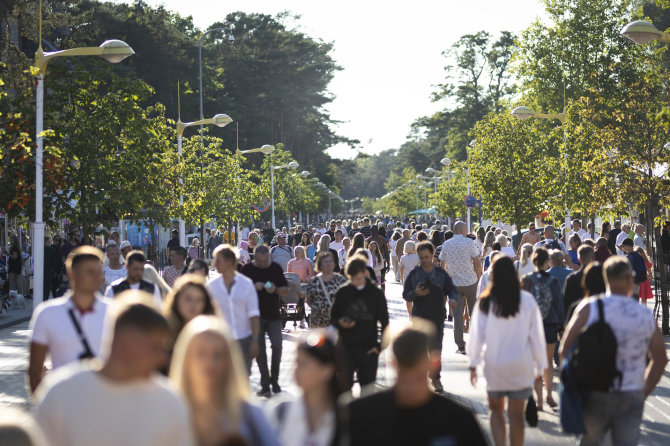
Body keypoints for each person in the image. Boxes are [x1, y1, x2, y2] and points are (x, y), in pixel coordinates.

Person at [34, 292, 195, 446]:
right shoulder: (60, 396)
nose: (163, 358)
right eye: (155, 347)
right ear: (126, 342)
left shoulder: (170, 404)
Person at [559, 257, 668, 446]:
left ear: (606, 278)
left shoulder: (589, 307)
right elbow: (660, 358)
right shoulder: (643, 314)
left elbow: (565, 348)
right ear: (628, 279)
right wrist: (644, 390)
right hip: (631, 392)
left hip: (594, 390)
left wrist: (574, 383)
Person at [343, 322, 488, 446]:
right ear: (434, 362)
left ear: (391, 363)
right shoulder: (459, 420)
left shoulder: (359, 413)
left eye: (417, 378)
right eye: (405, 378)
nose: (410, 388)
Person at [468, 256, 548, 446]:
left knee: (496, 411)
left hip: (494, 364)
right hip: (521, 365)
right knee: (516, 415)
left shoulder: (485, 302)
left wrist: (473, 364)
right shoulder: (527, 301)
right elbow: (537, 335)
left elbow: (476, 336)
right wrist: (541, 366)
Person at [170, 316, 279, 445]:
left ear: (229, 361)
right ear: (186, 359)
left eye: (218, 354)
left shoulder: (251, 417)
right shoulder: (167, 415)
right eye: (201, 354)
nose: (209, 362)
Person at [28, 246, 110, 393]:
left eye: (99, 272)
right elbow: (35, 370)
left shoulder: (115, 312)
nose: (98, 278)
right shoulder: (47, 314)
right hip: (63, 405)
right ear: (71, 273)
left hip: (105, 403)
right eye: (90, 272)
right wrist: (47, 406)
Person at [402, 241, 457, 393]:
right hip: (419, 317)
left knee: (436, 349)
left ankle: (435, 377)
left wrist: (453, 299)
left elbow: (451, 289)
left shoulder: (440, 273)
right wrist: (415, 294)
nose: (424, 260)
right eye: (421, 257)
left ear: (432, 255)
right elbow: (405, 294)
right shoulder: (415, 274)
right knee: (420, 349)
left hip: (437, 317)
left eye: (427, 257)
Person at [270, 331, 340, 446]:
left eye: (303, 364)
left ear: (327, 370)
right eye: (296, 363)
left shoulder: (346, 417)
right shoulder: (280, 412)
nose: (296, 370)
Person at [330, 256, 389, 391]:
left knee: (367, 391)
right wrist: (340, 323)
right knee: (344, 390)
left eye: (359, 279)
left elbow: (385, 323)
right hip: (346, 348)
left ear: (365, 273)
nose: (356, 283)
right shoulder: (343, 292)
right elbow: (333, 318)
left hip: (368, 348)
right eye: (353, 279)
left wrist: (380, 347)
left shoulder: (376, 294)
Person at [241, 245, 289, 396]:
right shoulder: (247, 270)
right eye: (258, 261)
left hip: (273, 315)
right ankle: (265, 384)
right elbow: (240, 291)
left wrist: (274, 289)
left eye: (264, 261)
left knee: (277, 346)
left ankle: (274, 379)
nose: (262, 264)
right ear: (254, 257)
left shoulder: (275, 268)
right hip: (255, 317)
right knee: (260, 352)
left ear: (269, 256)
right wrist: (253, 287)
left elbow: (286, 290)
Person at [520, 247, 564, 411]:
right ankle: (549, 395)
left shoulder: (526, 280)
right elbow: (558, 305)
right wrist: (561, 327)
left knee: (534, 363)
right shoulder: (552, 281)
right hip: (550, 325)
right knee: (547, 362)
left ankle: (538, 401)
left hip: (531, 326)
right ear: (547, 262)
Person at [207, 244, 260, 374]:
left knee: (242, 379)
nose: (215, 263)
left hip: (243, 340)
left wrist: (255, 340)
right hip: (220, 341)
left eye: (218, 260)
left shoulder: (246, 285)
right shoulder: (211, 287)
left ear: (230, 262)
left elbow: (253, 315)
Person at [439, 221, 482, 354]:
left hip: (454, 284)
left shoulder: (446, 244)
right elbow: (477, 262)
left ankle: (460, 345)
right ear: (463, 230)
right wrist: (479, 277)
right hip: (470, 282)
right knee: (474, 313)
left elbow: (442, 263)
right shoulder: (470, 243)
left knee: (457, 316)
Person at [162, 274, 218, 372]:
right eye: (188, 299)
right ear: (177, 299)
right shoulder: (164, 334)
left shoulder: (213, 335)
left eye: (199, 300)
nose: (194, 305)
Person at [305, 252, 347, 328]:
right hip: (318, 323)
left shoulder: (340, 280)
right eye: (326, 262)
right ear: (320, 264)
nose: (329, 264)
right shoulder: (313, 281)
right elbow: (309, 300)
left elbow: (346, 299)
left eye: (330, 261)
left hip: (336, 322)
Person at [563, 245, 595, 314]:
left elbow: (567, 301)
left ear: (578, 259)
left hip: (576, 313)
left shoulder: (571, 278)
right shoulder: (601, 276)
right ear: (593, 258)